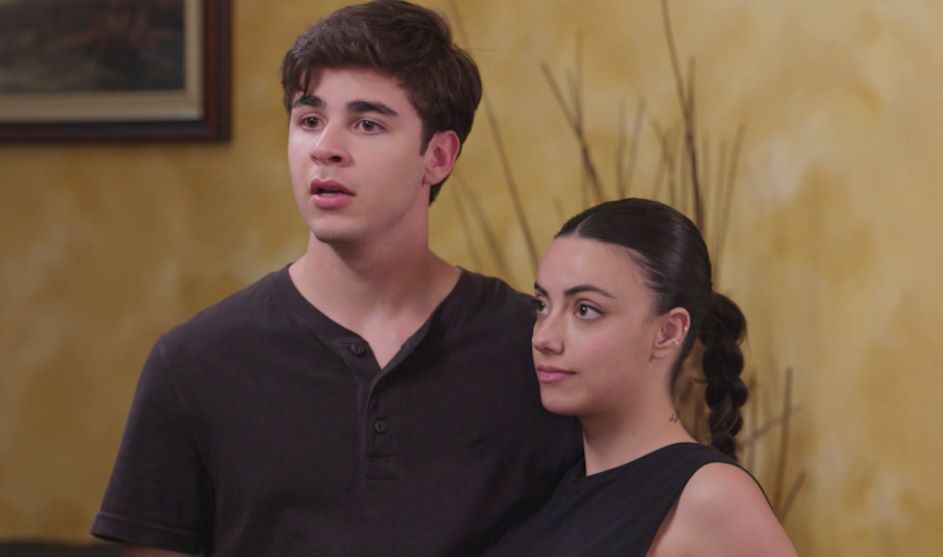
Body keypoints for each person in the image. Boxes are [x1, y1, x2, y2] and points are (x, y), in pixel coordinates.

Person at [91, 2, 579, 555]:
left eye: (367, 124)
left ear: (439, 156)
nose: (325, 148)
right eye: (309, 120)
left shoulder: (539, 351)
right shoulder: (192, 362)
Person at [485, 198, 797, 556]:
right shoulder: (548, 487)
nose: (543, 337)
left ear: (668, 331)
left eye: (585, 309)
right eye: (542, 305)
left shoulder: (712, 496)